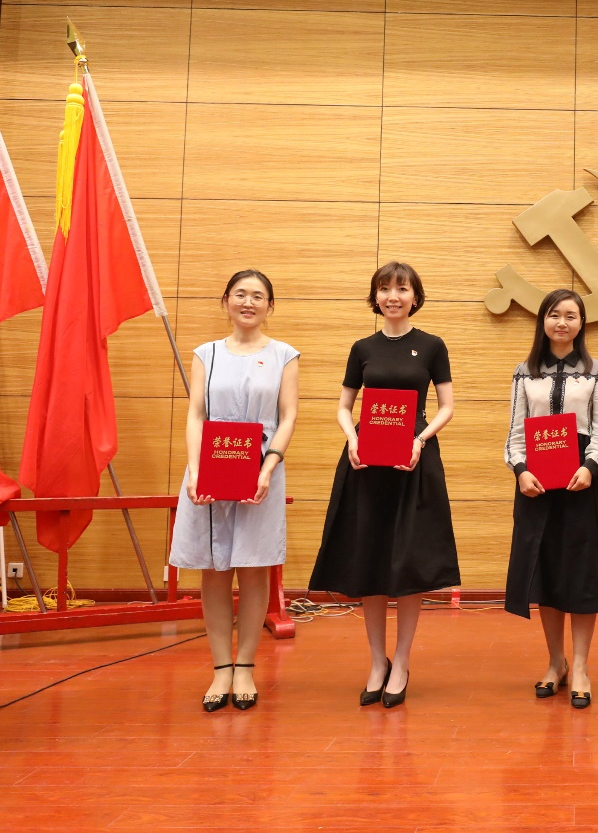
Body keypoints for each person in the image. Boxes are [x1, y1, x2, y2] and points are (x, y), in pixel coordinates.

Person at [309, 261, 458, 709]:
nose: (393, 296)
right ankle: (378, 661)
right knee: (370, 562)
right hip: (366, 463)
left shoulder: (432, 346)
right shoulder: (362, 347)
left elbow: (447, 406)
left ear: (415, 296)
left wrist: (420, 439)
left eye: (402, 288)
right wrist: (352, 437)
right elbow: (343, 405)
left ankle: (403, 661)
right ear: (375, 297)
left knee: (407, 565)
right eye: (385, 289)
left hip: (413, 460)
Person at [170, 270, 300, 712]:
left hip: (261, 471)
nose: (249, 302)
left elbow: (287, 417)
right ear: (225, 300)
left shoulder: (285, 354)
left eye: (258, 296)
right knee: (213, 567)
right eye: (240, 294)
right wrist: (194, 470)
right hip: (210, 469)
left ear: (270, 306)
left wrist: (268, 466)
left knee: (254, 568)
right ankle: (221, 668)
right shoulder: (205, 353)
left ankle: (245, 665)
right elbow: (196, 415)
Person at [504, 289, 598, 710]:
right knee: (546, 572)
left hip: (580, 482)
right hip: (535, 483)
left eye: (571, 315)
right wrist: (520, 470)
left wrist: (590, 467)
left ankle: (582, 666)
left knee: (581, 573)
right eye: (554, 315)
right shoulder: (524, 371)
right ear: (543, 321)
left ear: (582, 323)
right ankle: (556, 663)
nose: (562, 322)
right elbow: (515, 431)